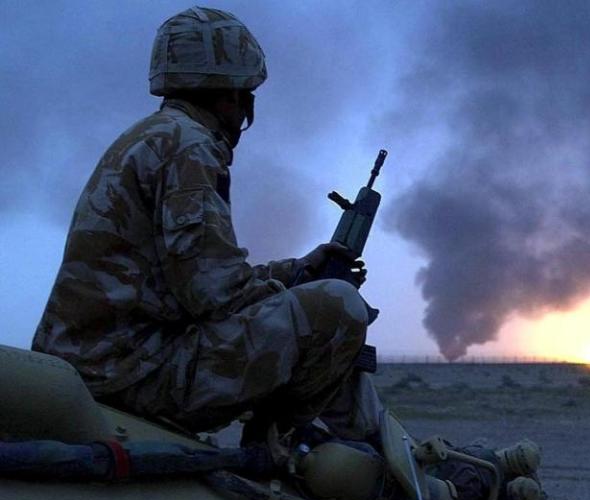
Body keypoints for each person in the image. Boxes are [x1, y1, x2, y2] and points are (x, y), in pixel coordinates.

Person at [32, 7, 382, 439]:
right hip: (133, 375)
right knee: (338, 307)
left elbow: (193, 281)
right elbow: (216, 295)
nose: (245, 117)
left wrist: (297, 271)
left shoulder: (153, 136)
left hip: (101, 364)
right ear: (231, 94)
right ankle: (283, 447)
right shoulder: (190, 148)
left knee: (317, 297)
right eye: (246, 98)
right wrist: (309, 291)